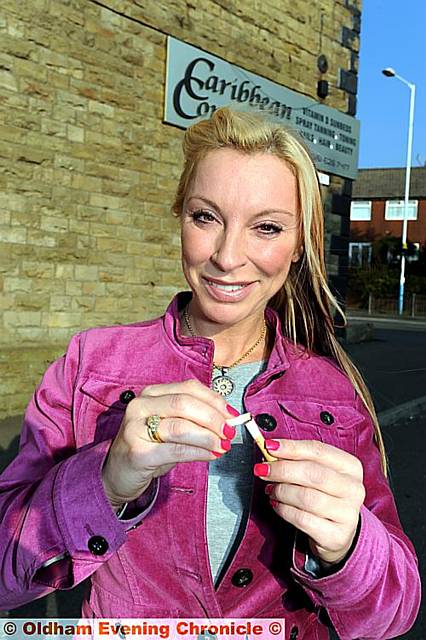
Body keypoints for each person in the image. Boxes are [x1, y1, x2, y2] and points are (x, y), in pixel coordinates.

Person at [0, 107, 420, 639]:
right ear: (179, 215)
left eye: (266, 228)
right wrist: (106, 482)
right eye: (206, 217)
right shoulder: (90, 366)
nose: (227, 256)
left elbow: (393, 613)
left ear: (298, 246)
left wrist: (348, 547)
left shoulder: (332, 391)